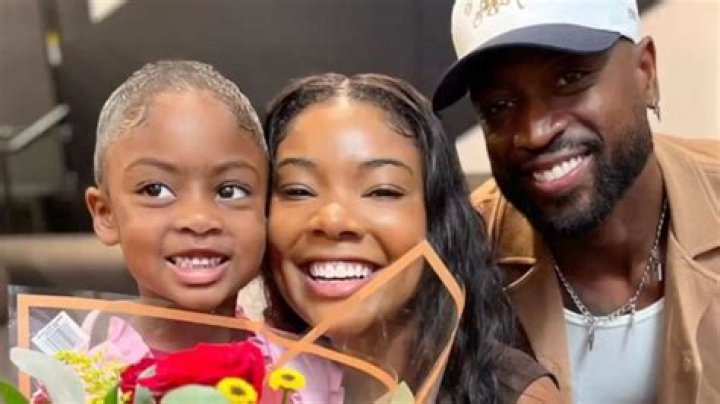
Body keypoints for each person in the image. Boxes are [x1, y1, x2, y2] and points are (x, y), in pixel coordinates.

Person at [432, 1, 720, 403]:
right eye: (499, 106)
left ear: (645, 73)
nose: (535, 133)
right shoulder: (461, 262)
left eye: (570, 79)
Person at [263, 72, 559, 403]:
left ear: (436, 220)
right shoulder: (238, 379)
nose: (333, 220)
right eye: (298, 190)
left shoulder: (517, 396)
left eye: (382, 191)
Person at [84, 60, 268, 351]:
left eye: (230, 191)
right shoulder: (77, 363)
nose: (199, 219)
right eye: (155, 190)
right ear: (106, 214)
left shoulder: (301, 369)